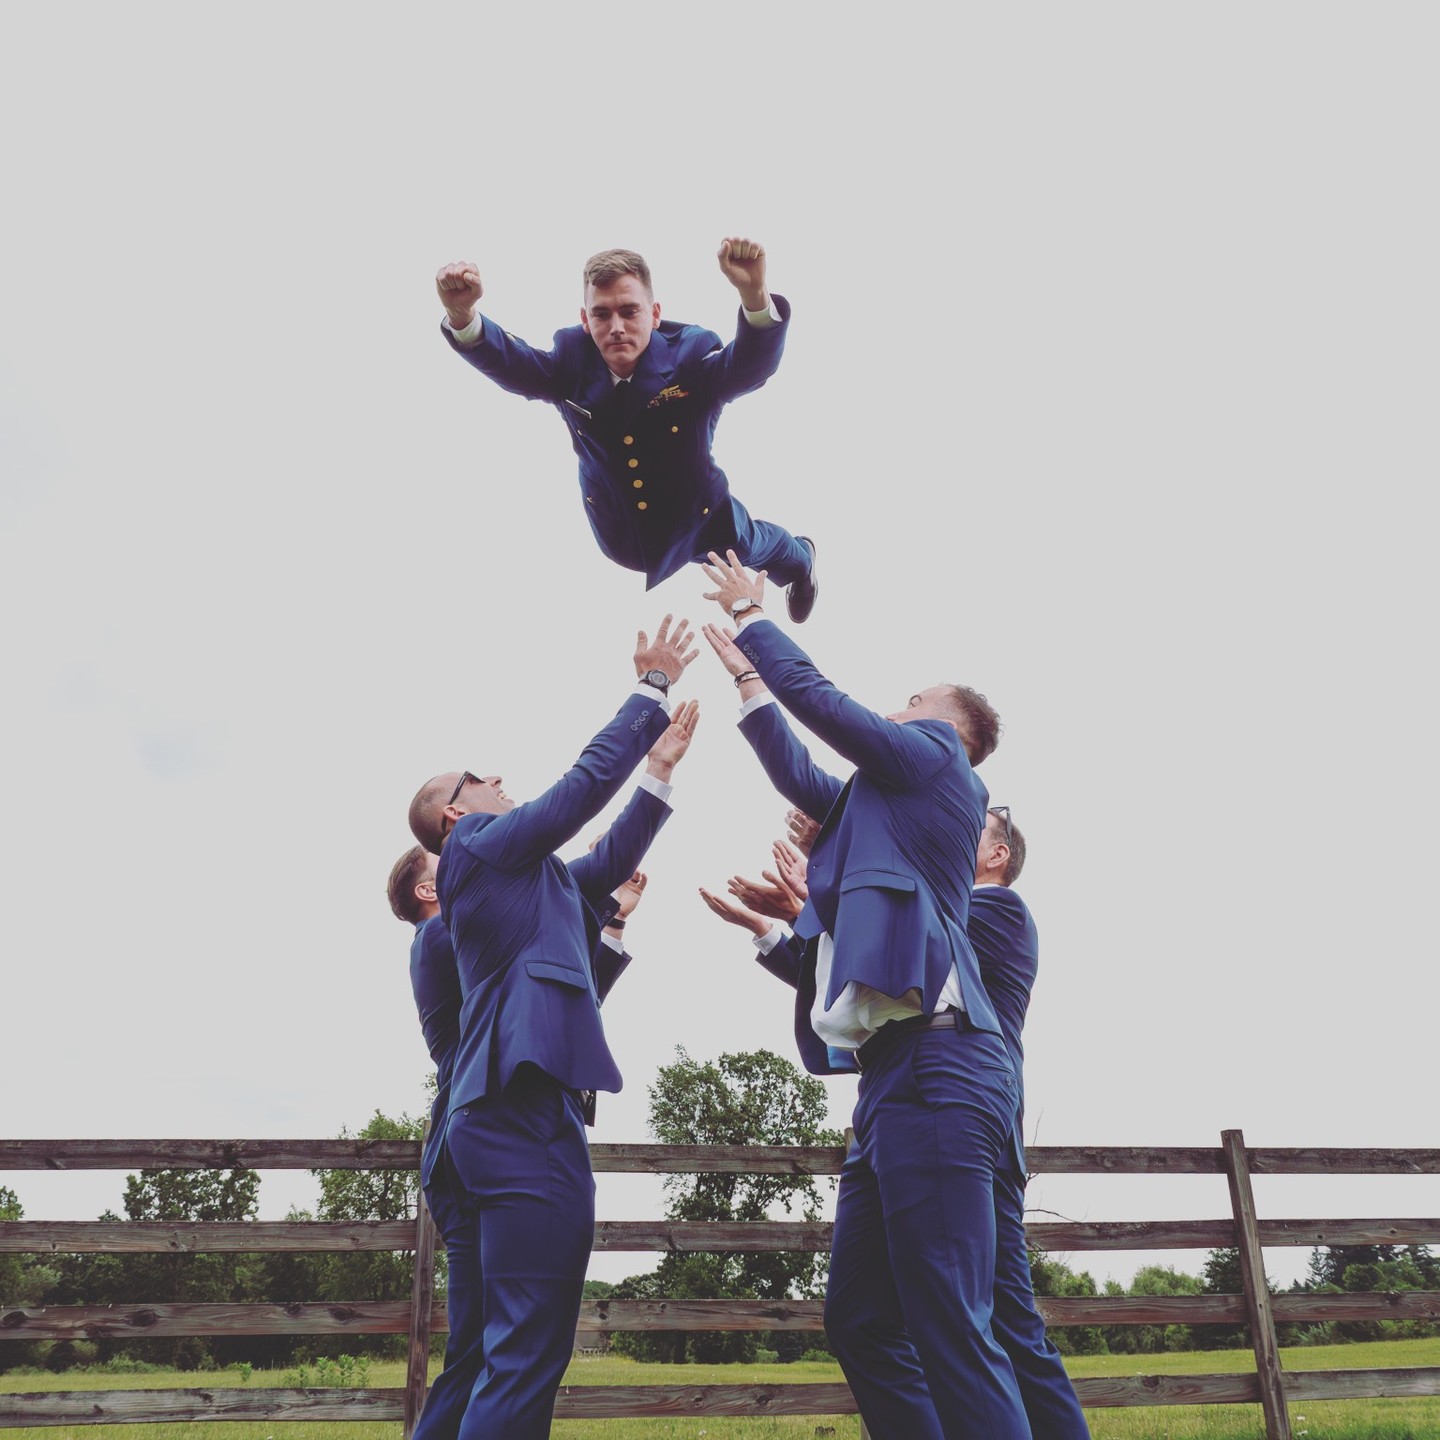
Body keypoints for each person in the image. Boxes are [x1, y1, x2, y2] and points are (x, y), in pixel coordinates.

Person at [698, 549, 1029, 1440]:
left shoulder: (937, 759)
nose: (898, 710)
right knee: (862, 1321)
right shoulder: (885, 798)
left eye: (912, 703)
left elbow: (834, 714)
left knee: (953, 1325)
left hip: (942, 1064)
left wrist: (756, 616)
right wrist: (746, 679)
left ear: (948, 729)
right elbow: (805, 777)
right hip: (890, 1078)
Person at [703, 808, 1089, 1439]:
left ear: (997, 857)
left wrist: (822, 881)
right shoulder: (945, 912)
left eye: (973, 831)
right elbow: (862, 967)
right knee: (911, 1320)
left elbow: (901, 934)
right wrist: (781, 925)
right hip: (917, 1103)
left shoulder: (998, 910)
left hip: (954, 1105)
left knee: (979, 1321)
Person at [406, 617, 698, 1440]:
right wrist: (649, 690)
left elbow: (602, 865)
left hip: (502, 1115)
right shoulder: (479, 852)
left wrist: (660, 776)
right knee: (528, 1351)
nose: (497, 777)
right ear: (457, 817)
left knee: (498, 1350)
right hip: (521, 1111)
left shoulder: (532, 881)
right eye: (478, 777)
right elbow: (573, 795)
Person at [387, 845, 654, 1440]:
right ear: (430, 893)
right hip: (506, 1132)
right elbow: (534, 944)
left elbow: (550, 993)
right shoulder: (441, 937)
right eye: (448, 865)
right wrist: (587, 894)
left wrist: (610, 919)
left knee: (481, 1346)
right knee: (523, 1345)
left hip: (464, 1148)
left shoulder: (452, 943)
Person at [433, 241, 819, 617]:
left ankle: (802, 560)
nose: (616, 327)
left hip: (697, 512)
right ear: (585, 320)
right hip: (621, 531)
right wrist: (463, 317)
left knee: (745, 545)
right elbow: (515, 365)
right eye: (601, 314)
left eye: (629, 311)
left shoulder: (689, 354)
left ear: (654, 314)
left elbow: (746, 370)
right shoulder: (571, 361)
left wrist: (754, 296)